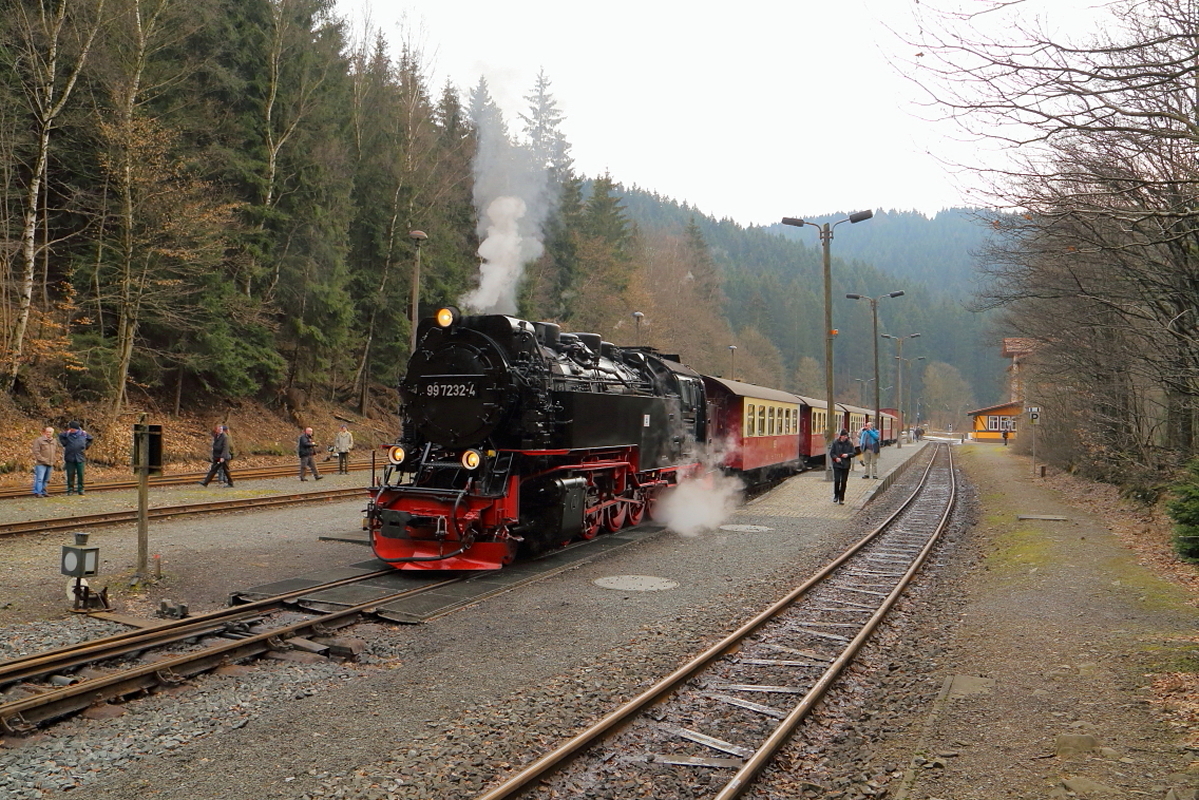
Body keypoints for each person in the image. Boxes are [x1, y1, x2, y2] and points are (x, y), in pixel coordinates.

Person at [58, 421, 94, 495]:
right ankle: (70, 490)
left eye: (72, 428)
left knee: (81, 475)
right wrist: (64, 443)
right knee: (70, 474)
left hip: (80, 457)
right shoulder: (67, 434)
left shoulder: (83, 434)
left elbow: (91, 439)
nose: (70, 430)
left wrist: (86, 446)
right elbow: (60, 436)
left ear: (76, 429)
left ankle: (81, 489)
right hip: (69, 457)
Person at [830, 429, 855, 505]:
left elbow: (854, 453)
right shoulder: (835, 443)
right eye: (844, 436)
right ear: (840, 436)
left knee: (843, 482)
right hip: (837, 465)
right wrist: (835, 458)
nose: (845, 437)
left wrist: (847, 455)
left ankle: (841, 498)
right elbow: (832, 453)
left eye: (846, 436)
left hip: (845, 465)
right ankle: (836, 495)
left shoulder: (850, 444)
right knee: (837, 481)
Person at [31, 426, 58, 497]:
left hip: (50, 463)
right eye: (47, 432)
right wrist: (42, 459)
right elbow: (36, 451)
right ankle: (37, 492)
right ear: (44, 432)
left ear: (53, 433)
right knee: (39, 479)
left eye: (50, 432)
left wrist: (54, 459)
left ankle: (44, 492)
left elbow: (55, 451)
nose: (48, 433)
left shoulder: (54, 441)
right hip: (41, 463)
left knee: (46, 479)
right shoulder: (39, 440)